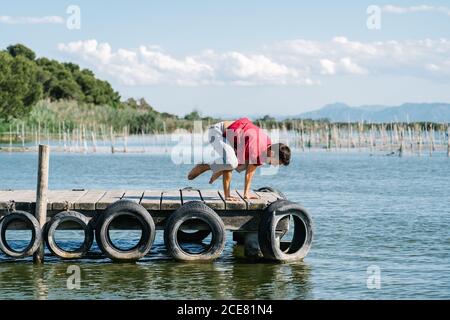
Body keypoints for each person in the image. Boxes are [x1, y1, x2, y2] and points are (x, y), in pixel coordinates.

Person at [187, 117, 291, 201]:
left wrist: (246, 193)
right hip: (217, 132)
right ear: (273, 154)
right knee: (232, 163)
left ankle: (213, 167)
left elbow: (248, 168)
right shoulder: (257, 146)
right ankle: (205, 166)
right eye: (278, 162)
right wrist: (235, 195)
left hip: (229, 138)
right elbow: (247, 172)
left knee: (239, 164)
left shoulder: (266, 147)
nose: (275, 165)